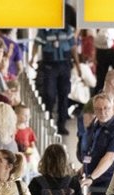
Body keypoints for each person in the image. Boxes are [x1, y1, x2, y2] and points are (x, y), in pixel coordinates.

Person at [31, 6, 78, 135]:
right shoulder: (45, 30)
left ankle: (61, 124)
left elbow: (73, 48)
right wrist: (32, 58)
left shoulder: (67, 29)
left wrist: (78, 66)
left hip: (64, 65)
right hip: (49, 66)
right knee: (49, 94)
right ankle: (49, 119)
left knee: (64, 95)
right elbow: (36, 43)